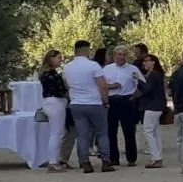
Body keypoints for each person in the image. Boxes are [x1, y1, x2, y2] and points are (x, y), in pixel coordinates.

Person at [63, 40, 114, 173]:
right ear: (87, 50)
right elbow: (103, 86)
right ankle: (105, 161)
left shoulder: (67, 67)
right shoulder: (93, 66)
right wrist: (105, 101)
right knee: (102, 133)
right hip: (94, 102)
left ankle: (85, 162)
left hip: (76, 104)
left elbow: (67, 85)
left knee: (82, 135)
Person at [103, 45, 145, 168]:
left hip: (127, 100)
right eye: (119, 54)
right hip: (112, 101)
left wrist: (134, 97)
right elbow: (101, 85)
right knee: (111, 131)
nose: (121, 57)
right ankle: (113, 158)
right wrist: (111, 87)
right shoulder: (107, 69)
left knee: (129, 131)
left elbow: (142, 84)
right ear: (114, 56)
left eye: (124, 55)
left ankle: (131, 158)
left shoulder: (133, 69)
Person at [39, 50, 71, 173]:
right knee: (56, 133)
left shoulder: (44, 74)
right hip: (56, 103)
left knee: (56, 132)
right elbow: (60, 90)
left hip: (49, 102)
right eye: (58, 58)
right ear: (51, 59)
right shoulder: (52, 75)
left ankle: (53, 159)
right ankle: (52, 162)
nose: (60, 60)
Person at [136, 53, 167, 168]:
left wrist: (139, 81)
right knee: (155, 131)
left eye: (147, 61)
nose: (144, 63)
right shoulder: (157, 74)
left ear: (153, 62)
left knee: (148, 131)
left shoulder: (153, 75)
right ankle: (158, 156)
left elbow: (147, 90)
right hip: (158, 105)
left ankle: (155, 157)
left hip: (152, 106)